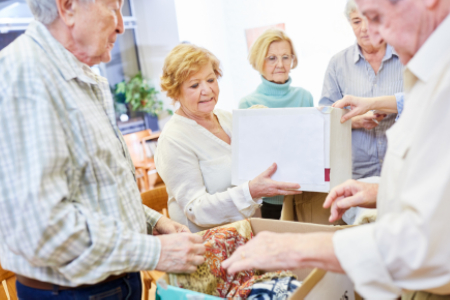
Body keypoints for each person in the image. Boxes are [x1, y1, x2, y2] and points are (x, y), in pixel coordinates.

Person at [223, 0, 450, 298]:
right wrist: (380, 192)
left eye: (378, 17)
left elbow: (431, 246)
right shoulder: (426, 69)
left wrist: (304, 247)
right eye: (362, 21)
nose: (375, 36)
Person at [0, 0, 205, 298]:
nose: (121, 24)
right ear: (68, 7)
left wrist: (152, 221)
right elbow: (44, 229)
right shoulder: (22, 78)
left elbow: (100, 191)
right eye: (113, 7)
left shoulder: (84, 77)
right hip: (72, 291)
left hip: (115, 282)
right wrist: (153, 251)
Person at [155, 44, 300, 233]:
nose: (207, 90)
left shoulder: (228, 119)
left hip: (250, 233)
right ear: (176, 91)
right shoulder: (173, 139)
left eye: (211, 79)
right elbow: (196, 209)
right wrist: (251, 192)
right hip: (209, 247)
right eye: (194, 85)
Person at [319, 0, 404, 180]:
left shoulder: (406, 56)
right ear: (350, 23)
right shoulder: (337, 64)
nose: (365, 27)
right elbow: (324, 120)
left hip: (403, 169)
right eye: (357, 21)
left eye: (371, 19)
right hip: (355, 174)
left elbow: (421, 105)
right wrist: (356, 121)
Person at [239, 28, 313, 220]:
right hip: (268, 200)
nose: (280, 64)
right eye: (271, 58)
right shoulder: (247, 104)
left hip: (303, 193)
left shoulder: (305, 97)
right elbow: (250, 159)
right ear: (259, 61)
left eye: (285, 57)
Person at [332, 94, 404, 123]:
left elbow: (412, 100)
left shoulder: (407, 63)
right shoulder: (336, 64)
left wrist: (371, 104)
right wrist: (354, 122)